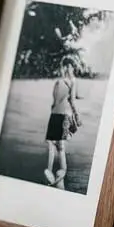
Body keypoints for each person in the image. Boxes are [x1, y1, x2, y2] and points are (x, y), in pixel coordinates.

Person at [44, 56, 81, 189]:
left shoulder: (69, 81)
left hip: (61, 114)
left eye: (72, 67)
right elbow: (60, 101)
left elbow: (70, 101)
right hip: (58, 114)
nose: (71, 69)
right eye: (70, 67)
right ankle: (52, 170)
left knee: (58, 144)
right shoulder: (64, 81)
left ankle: (59, 170)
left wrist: (76, 116)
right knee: (52, 143)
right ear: (66, 67)